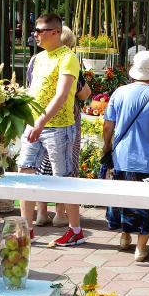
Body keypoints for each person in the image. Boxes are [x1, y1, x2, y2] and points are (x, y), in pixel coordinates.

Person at [18, 14, 84, 246]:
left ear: (55, 32)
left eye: (40, 30)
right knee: (24, 173)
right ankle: (26, 229)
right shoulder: (37, 59)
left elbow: (62, 94)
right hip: (33, 125)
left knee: (63, 178)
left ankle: (75, 230)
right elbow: (32, 90)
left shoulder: (68, 58)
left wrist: (41, 122)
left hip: (58, 128)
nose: (35, 34)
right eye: (35, 30)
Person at [103, 51, 149, 262]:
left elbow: (108, 125)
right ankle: (141, 247)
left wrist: (106, 146)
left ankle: (124, 236)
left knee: (123, 199)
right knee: (147, 204)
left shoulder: (119, 93)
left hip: (123, 155)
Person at [33, 26, 91, 227]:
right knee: (65, 168)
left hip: (37, 114)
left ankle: (41, 212)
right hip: (63, 119)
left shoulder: (37, 60)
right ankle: (60, 213)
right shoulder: (68, 61)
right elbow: (83, 93)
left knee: (40, 166)